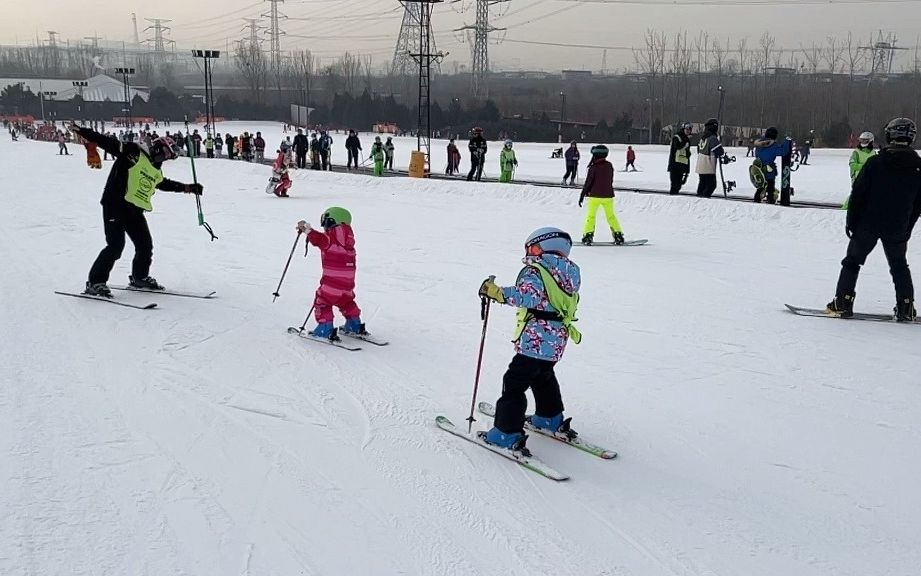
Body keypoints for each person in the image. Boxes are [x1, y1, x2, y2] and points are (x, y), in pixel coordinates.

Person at [477, 227, 582, 454]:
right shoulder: (571, 270)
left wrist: (496, 292)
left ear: (543, 247)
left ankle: (506, 432)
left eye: (532, 247)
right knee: (543, 376)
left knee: (514, 382)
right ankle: (549, 417)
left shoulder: (536, 270)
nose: (530, 252)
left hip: (536, 338)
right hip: (556, 339)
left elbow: (528, 296)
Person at [70, 124, 203, 297]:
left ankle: (140, 277)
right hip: (115, 205)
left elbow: (162, 183)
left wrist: (187, 188)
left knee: (145, 246)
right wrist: (82, 131)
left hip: (134, 210)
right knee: (115, 246)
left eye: (167, 157)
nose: (163, 159)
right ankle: (95, 282)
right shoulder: (133, 152)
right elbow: (107, 143)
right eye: (163, 154)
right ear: (156, 148)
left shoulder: (155, 168)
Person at [826, 118, 921, 322]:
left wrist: (851, 222)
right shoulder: (918, 167)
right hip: (897, 226)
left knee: (852, 262)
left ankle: (842, 302)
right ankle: (906, 307)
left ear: (889, 136)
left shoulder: (876, 162)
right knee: (899, 266)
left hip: (868, 224)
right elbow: (918, 204)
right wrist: (907, 226)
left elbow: (858, 194)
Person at [295, 207, 368, 341]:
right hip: (348, 286)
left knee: (322, 301)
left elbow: (317, 239)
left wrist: (306, 229)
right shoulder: (349, 243)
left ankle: (325, 328)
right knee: (347, 302)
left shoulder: (329, 240)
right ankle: (355, 325)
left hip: (331, 285)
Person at [579, 144, 625, 245]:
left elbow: (588, 183)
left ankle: (588, 235)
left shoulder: (593, 167)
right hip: (608, 196)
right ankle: (618, 235)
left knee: (591, 216)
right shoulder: (609, 166)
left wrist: (582, 195)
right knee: (611, 216)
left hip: (594, 196)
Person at [750, 127, 792, 204]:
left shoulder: (759, 144)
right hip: (769, 170)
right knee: (770, 186)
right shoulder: (772, 146)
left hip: (759, 168)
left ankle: (757, 199)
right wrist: (787, 141)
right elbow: (784, 151)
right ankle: (770, 200)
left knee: (761, 186)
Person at [843, 131, 878, 210]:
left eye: (865, 141)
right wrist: (865, 166)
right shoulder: (856, 152)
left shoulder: (873, 153)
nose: (863, 142)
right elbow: (852, 165)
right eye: (861, 140)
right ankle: (845, 209)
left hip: (870, 177)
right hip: (858, 177)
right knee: (856, 194)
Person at [695, 118, 724, 198]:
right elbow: (719, 151)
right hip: (708, 165)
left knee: (702, 183)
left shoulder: (702, 138)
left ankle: (699, 197)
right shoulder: (712, 138)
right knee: (711, 185)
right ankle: (704, 199)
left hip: (700, 164)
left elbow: (698, 150)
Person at [668, 122, 693, 195]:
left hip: (682, 166)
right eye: (687, 129)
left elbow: (687, 155)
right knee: (674, 186)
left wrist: (686, 172)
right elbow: (678, 147)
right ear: (683, 129)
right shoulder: (677, 137)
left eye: (690, 129)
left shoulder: (687, 140)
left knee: (678, 186)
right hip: (675, 166)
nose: (688, 131)